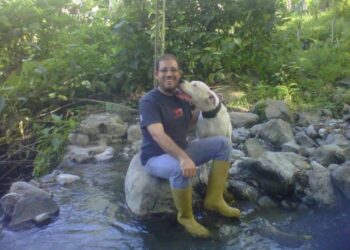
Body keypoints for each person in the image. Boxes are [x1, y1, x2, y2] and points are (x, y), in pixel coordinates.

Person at [139, 54, 240, 238]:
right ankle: (186, 217)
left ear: (179, 74)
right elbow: (158, 135)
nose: (169, 74)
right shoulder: (149, 101)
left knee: (223, 145)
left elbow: (191, 120)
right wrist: (184, 158)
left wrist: (214, 108)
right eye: (164, 70)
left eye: (173, 70)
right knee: (180, 168)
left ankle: (214, 200)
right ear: (156, 75)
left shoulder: (182, 98)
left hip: (182, 148)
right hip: (155, 157)